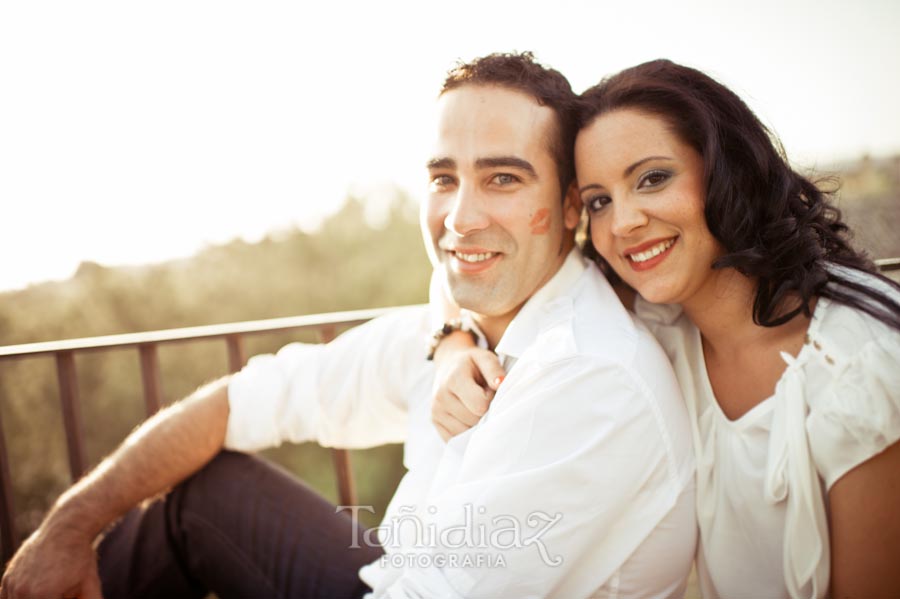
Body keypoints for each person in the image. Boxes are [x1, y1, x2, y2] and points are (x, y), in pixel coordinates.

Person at [0, 53, 696, 599]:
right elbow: (238, 400)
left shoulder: (590, 377)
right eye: (444, 178)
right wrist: (66, 527)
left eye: (503, 179)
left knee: (206, 506)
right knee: (206, 493)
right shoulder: (456, 328)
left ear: (573, 206)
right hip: (393, 575)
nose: (460, 217)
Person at [430, 59, 900, 598]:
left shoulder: (856, 368)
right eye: (599, 201)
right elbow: (470, 262)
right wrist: (452, 341)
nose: (624, 222)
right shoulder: (661, 316)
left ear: (727, 170)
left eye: (652, 179)